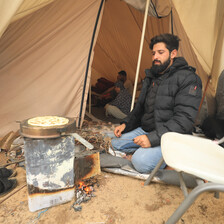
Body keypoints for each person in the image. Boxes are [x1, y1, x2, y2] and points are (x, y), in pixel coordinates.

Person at [111, 33, 202, 173]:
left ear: (173, 53)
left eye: (160, 53)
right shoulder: (152, 76)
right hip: (148, 129)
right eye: (153, 53)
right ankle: (150, 151)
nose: (155, 58)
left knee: (140, 162)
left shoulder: (189, 79)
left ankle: (174, 158)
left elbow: (184, 120)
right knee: (114, 143)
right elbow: (140, 107)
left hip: (172, 136)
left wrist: (151, 139)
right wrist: (126, 124)